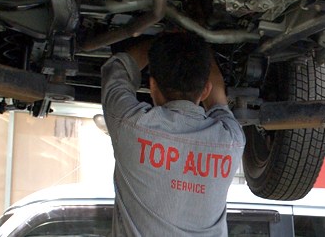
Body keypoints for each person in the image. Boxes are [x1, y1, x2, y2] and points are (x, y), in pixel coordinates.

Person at [100, 33, 245, 236]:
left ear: (152, 85)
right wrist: (165, 42)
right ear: (204, 90)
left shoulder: (232, 140)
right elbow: (117, 71)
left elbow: (118, 69)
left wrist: (174, 42)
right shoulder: (231, 140)